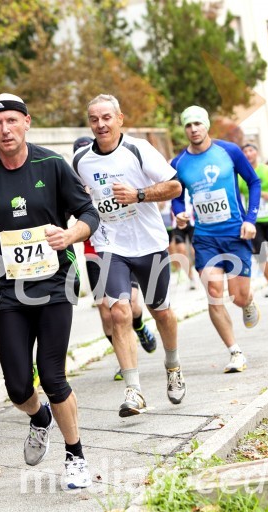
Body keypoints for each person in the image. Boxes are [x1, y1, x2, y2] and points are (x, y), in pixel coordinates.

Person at [0, 93, 100, 490]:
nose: (6, 129)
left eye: (13, 121)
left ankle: (75, 455)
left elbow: (89, 213)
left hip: (55, 283)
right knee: (17, 386)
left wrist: (71, 234)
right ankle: (39, 417)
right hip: (10, 290)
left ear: (27, 122)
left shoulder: (51, 165)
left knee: (52, 375)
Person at [72, 95, 182, 414]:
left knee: (160, 311)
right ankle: (133, 390)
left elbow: (174, 187)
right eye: (94, 119)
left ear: (120, 118)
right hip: (110, 246)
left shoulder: (138, 149)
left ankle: (173, 367)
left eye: (106, 117)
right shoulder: (81, 160)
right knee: (118, 312)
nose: (101, 124)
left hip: (149, 244)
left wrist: (139, 195)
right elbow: (76, 198)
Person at [171, 105, 261, 374]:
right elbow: (176, 196)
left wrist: (250, 220)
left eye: (198, 123)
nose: (193, 129)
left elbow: (254, 182)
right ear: (184, 129)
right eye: (188, 125)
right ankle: (235, 352)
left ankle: (247, 301)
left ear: (207, 125)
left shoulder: (229, 151)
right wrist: (179, 213)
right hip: (206, 238)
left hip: (236, 233)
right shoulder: (178, 163)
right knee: (213, 293)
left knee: (238, 297)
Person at [72, 135, 157, 383]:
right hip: (93, 250)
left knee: (131, 305)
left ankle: (139, 326)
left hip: (122, 245)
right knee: (106, 309)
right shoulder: (75, 184)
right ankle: (124, 361)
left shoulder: (110, 173)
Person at [238, 143, 268, 297]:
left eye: (250, 150)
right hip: (253, 220)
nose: (248, 153)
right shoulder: (240, 174)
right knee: (260, 254)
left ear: (256, 153)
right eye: (244, 151)